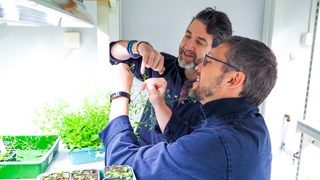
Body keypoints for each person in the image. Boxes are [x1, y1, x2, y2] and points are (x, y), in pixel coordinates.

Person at [99, 35, 278, 179]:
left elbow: (119, 168)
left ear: (233, 79)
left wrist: (120, 93)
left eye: (208, 61)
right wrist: (158, 103)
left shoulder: (216, 143)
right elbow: (190, 137)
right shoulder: (251, 125)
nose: (199, 67)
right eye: (188, 35)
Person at [109, 7, 233, 145]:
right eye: (188, 35)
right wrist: (139, 46)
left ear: (215, 52)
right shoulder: (163, 64)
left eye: (200, 42)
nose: (188, 45)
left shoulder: (215, 100)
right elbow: (114, 54)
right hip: (136, 160)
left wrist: (158, 104)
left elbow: (189, 146)